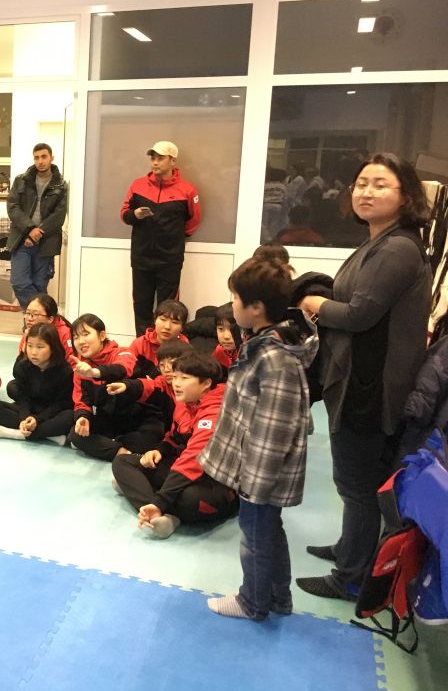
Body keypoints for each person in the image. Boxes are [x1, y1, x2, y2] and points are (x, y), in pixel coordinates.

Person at [296, 152, 431, 601]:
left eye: (380, 184)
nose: (366, 192)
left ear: (405, 196)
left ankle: (351, 577)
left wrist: (314, 305)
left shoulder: (397, 248)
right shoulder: (379, 241)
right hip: (359, 377)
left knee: (357, 485)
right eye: (361, 183)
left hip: (371, 387)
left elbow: (359, 314)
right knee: (355, 481)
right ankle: (350, 548)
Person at [198, 252, 318, 620]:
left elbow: (274, 428)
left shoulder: (274, 358)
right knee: (267, 530)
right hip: (256, 466)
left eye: (235, 298)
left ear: (256, 308)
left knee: (254, 536)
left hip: (261, 472)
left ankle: (252, 602)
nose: (232, 305)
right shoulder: (263, 342)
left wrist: (256, 482)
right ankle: (278, 598)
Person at [111, 351, 234, 539]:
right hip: (186, 472)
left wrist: (160, 501)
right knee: (123, 462)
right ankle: (161, 514)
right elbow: (174, 437)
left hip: (217, 483)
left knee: (188, 499)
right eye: (175, 377)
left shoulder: (216, 411)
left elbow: (194, 459)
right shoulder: (185, 402)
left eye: (184, 378)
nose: (176, 383)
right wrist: (159, 450)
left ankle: (147, 498)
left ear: (206, 384)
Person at [120, 141, 201, 336]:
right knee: (141, 305)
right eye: (152, 158)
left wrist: (174, 239)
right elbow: (124, 214)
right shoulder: (138, 185)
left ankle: (166, 349)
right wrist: (135, 215)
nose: (155, 162)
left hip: (170, 260)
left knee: (168, 309)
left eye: (160, 158)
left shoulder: (187, 190)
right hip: (141, 257)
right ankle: (143, 345)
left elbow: (194, 220)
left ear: (173, 161)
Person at [69, 313, 159, 461]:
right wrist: (83, 417)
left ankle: (111, 447)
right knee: (76, 434)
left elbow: (122, 369)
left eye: (86, 334)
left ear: (102, 335)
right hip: (109, 421)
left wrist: (95, 373)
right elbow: (81, 401)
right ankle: (122, 453)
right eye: (76, 337)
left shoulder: (122, 352)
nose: (81, 341)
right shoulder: (81, 367)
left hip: (137, 417)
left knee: (152, 435)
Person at [0, 323, 75, 444]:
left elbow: (61, 404)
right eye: (29, 346)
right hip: (31, 408)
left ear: (52, 348)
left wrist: (37, 419)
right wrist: (25, 417)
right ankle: (47, 435)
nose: (33, 352)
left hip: (52, 412)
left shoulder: (65, 371)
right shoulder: (24, 365)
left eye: (40, 347)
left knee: (70, 417)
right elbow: (23, 398)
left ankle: (20, 434)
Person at [6, 143, 68, 310]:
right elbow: (13, 207)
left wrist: (37, 233)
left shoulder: (61, 185)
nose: (40, 161)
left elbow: (59, 215)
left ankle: (34, 320)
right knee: (19, 282)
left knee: (39, 285)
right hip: (21, 239)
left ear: (51, 158)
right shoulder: (21, 180)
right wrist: (29, 230)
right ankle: (41, 315)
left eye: (44, 157)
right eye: (36, 158)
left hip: (46, 242)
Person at [127, 299, 189, 378]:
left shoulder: (185, 350)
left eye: (174, 322)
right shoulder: (140, 344)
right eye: (163, 319)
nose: (167, 327)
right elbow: (128, 369)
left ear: (182, 328)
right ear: (154, 320)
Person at [212, 302, 241, 370]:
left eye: (232, 329)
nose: (226, 336)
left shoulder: (249, 353)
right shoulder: (219, 351)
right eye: (221, 329)